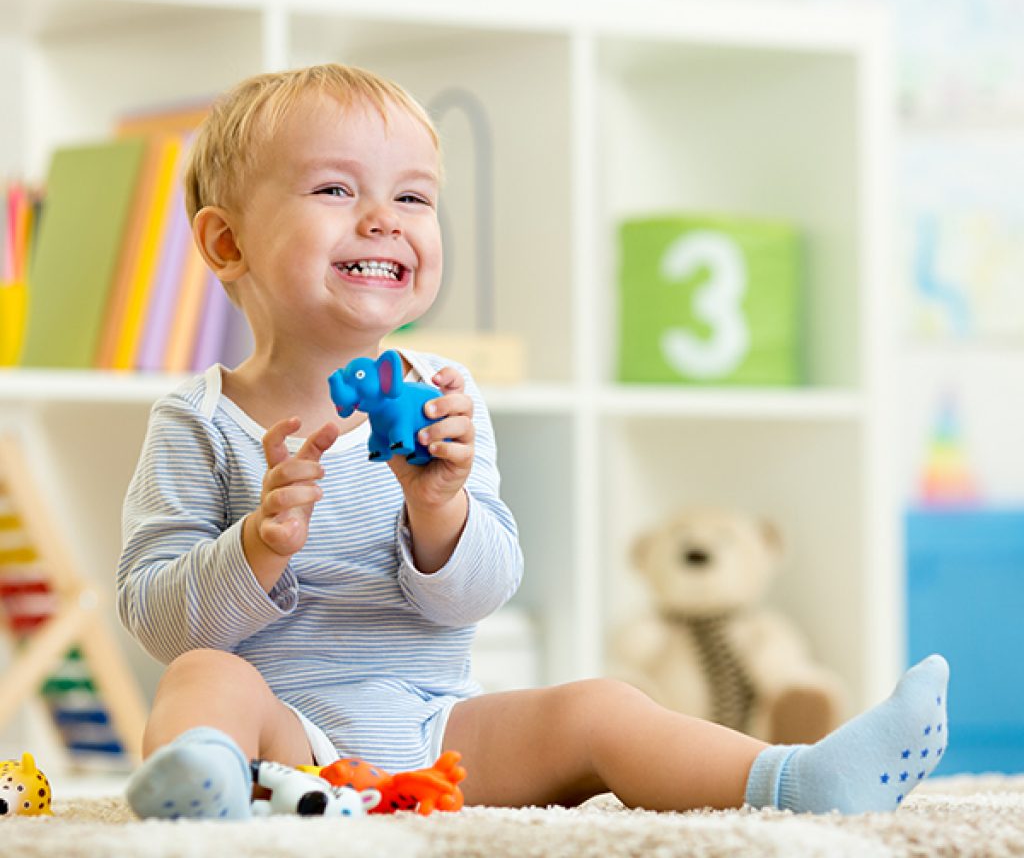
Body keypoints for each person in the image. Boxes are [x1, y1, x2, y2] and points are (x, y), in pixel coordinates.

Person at [118, 63, 949, 821]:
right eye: (336, 189)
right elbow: (158, 619)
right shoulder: (198, 421)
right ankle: (208, 783)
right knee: (202, 680)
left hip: (440, 729)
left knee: (600, 707)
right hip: (288, 740)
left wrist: (438, 509)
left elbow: (482, 592)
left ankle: (799, 781)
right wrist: (257, 548)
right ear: (227, 244)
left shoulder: (444, 396)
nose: (383, 220)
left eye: (413, 198)